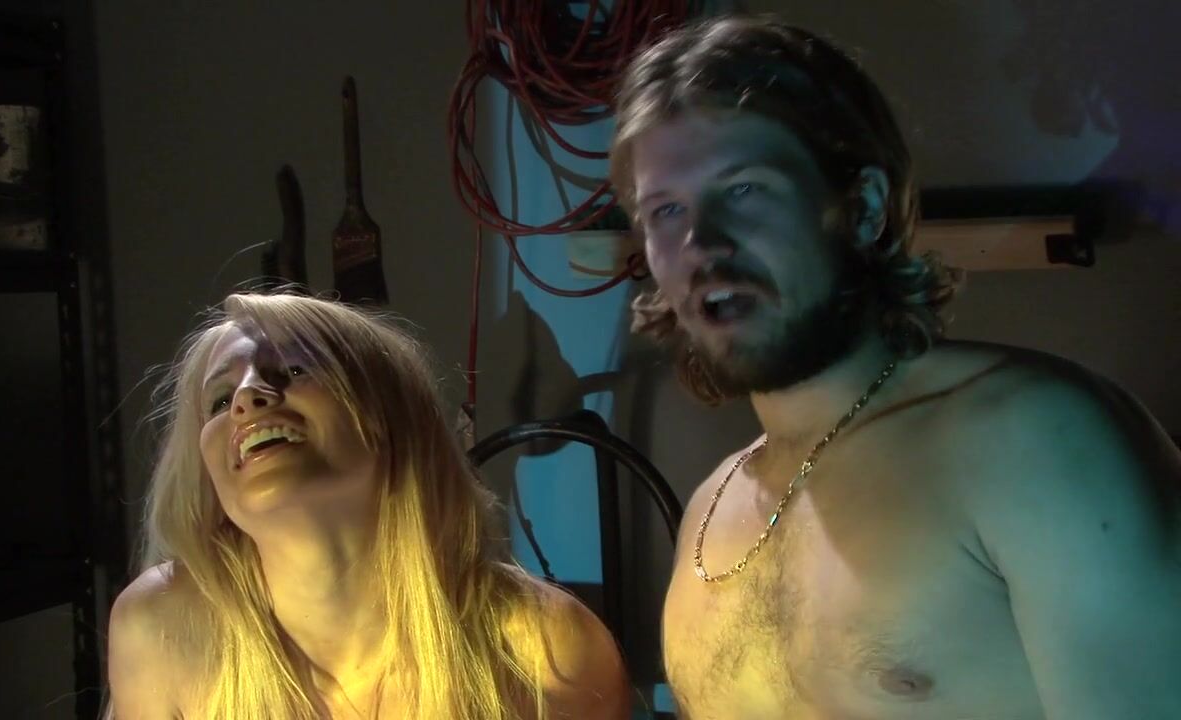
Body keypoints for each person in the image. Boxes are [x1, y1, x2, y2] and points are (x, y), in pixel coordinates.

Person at [609, 13, 1181, 720]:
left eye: (745, 189)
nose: (701, 242)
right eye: (665, 210)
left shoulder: (1037, 444)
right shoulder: (708, 510)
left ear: (864, 208)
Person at [104, 291, 632, 720]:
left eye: (294, 370)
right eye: (221, 400)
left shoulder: (546, 649)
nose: (247, 397)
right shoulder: (159, 629)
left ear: (392, 416)